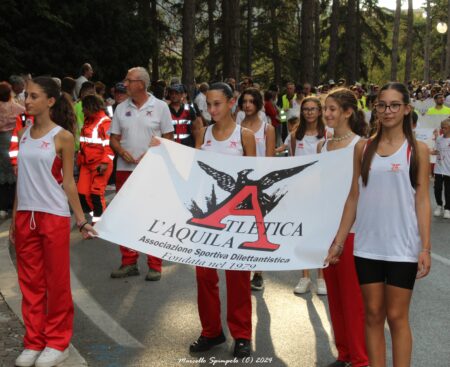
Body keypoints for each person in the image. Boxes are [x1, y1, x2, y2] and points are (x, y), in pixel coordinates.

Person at [325, 82, 431, 367]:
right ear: (376, 109)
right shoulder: (363, 148)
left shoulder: (417, 150)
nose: (388, 111)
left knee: (397, 317)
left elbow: (422, 201)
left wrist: (426, 248)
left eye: (395, 105)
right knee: (372, 315)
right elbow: (353, 197)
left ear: (407, 109)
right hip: (367, 247)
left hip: (402, 248)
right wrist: (339, 241)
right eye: (382, 105)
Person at [9, 76, 96, 367]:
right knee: (30, 284)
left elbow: (69, 183)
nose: (27, 101)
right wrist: (15, 217)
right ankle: (34, 341)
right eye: (26, 95)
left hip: (53, 216)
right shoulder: (22, 134)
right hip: (26, 217)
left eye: (33, 96)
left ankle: (58, 343)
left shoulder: (63, 137)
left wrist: (82, 221)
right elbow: (23, 179)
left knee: (56, 284)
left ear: (50, 101)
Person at [190, 82, 256, 358]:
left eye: (217, 103)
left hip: (236, 218)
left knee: (237, 277)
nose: (212, 109)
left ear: (231, 102)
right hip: (207, 216)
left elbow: (254, 180)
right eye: (208, 104)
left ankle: (241, 334)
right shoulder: (202, 133)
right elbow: (195, 171)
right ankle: (211, 331)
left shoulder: (245, 136)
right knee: (204, 276)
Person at [109, 66, 174, 281]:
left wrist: (153, 155)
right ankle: (129, 262)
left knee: (153, 216)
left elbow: (168, 138)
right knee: (125, 216)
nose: (125, 84)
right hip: (125, 170)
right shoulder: (120, 108)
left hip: (152, 172)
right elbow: (113, 139)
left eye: (129, 80)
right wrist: (121, 152)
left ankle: (155, 265)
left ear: (141, 84)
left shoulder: (161, 107)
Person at [320, 88, 369, 367]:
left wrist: (341, 236)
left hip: (352, 233)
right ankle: (345, 354)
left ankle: (361, 359)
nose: (327, 114)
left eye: (332, 109)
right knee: (335, 298)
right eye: (325, 108)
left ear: (348, 112)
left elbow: (359, 194)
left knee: (352, 300)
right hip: (325, 232)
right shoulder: (322, 146)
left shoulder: (361, 145)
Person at [286, 97, 328, 295]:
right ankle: (304, 276)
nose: (309, 113)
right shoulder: (295, 136)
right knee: (302, 234)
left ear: (320, 111)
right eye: (306, 110)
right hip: (301, 192)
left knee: (320, 234)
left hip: (321, 192)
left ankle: (321, 276)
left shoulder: (328, 134)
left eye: (313, 109)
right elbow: (292, 164)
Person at [238, 87, 275, 291]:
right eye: (244, 101)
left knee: (260, 227)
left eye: (251, 101)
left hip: (259, 185)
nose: (247, 105)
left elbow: (269, 160)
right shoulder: (236, 127)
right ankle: (242, 266)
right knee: (243, 227)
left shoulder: (267, 128)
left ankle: (258, 272)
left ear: (259, 103)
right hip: (240, 184)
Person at [77, 94, 114, 224]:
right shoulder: (89, 120)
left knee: (96, 194)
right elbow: (84, 143)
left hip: (100, 164)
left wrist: (104, 163)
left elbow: (109, 146)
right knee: (82, 194)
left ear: (91, 107)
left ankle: (98, 225)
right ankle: (97, 217)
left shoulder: (105, 122)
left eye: (84, 108)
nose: (82, 111)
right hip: (87, 164)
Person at [0, 82, 24, 218]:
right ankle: (15, 204)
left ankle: (2, 206)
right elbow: (25, 115)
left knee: (2, 175)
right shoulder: (16, 107)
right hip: (14, 139)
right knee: (15, 172)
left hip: (0, 141)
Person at [432, 118, 450, 218]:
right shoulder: (439, 139)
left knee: (448, 190)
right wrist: (429, 152)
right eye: (441, 127)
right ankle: (439, 205)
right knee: (437, 188)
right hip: (438, 169)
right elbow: (436, 151)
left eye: (445, 127)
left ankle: (448, 208)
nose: (442, 129)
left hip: (448, 170)